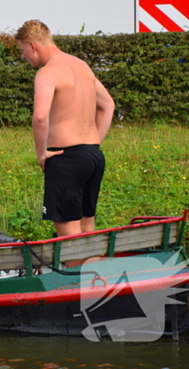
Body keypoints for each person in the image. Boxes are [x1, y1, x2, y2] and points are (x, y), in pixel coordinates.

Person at [15, 20, 115, 238]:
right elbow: (108, 105)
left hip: (66, 159)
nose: (23, 57)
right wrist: (93, 143)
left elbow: (40, 117)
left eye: (23, 51)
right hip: (92, 156)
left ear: (33, 46)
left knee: (69, 238)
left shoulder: (48, 72)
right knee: (88, 232)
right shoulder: (81, 65)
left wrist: (41, 153)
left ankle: (74, 272)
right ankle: (92, 273)